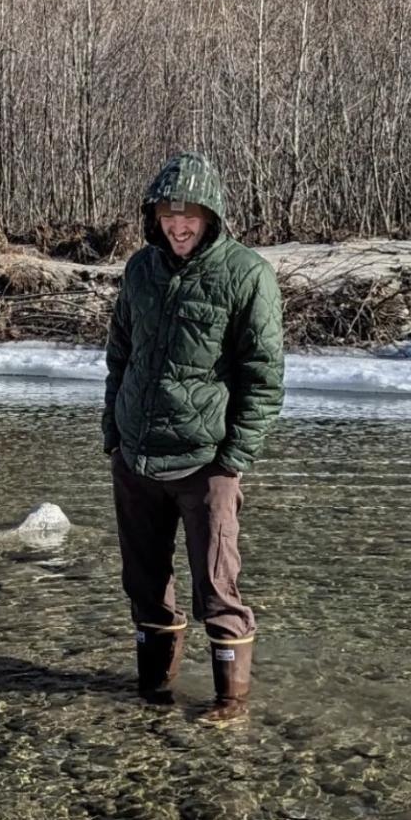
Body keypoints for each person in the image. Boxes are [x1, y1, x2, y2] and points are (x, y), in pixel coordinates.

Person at [103, 151, 284, 722]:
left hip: (206, 462)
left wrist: (234, 457)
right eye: (167, 216)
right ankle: (154, 696)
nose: (178, 227)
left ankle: (230, 705)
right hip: (136, 457)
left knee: (217, 587)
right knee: (144, 582)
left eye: (190, 217)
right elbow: (119, 356)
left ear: (212, 217)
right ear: (153, 218)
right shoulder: (139, 270)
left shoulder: (248, 275)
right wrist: (113, 431)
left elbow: (265, 376)